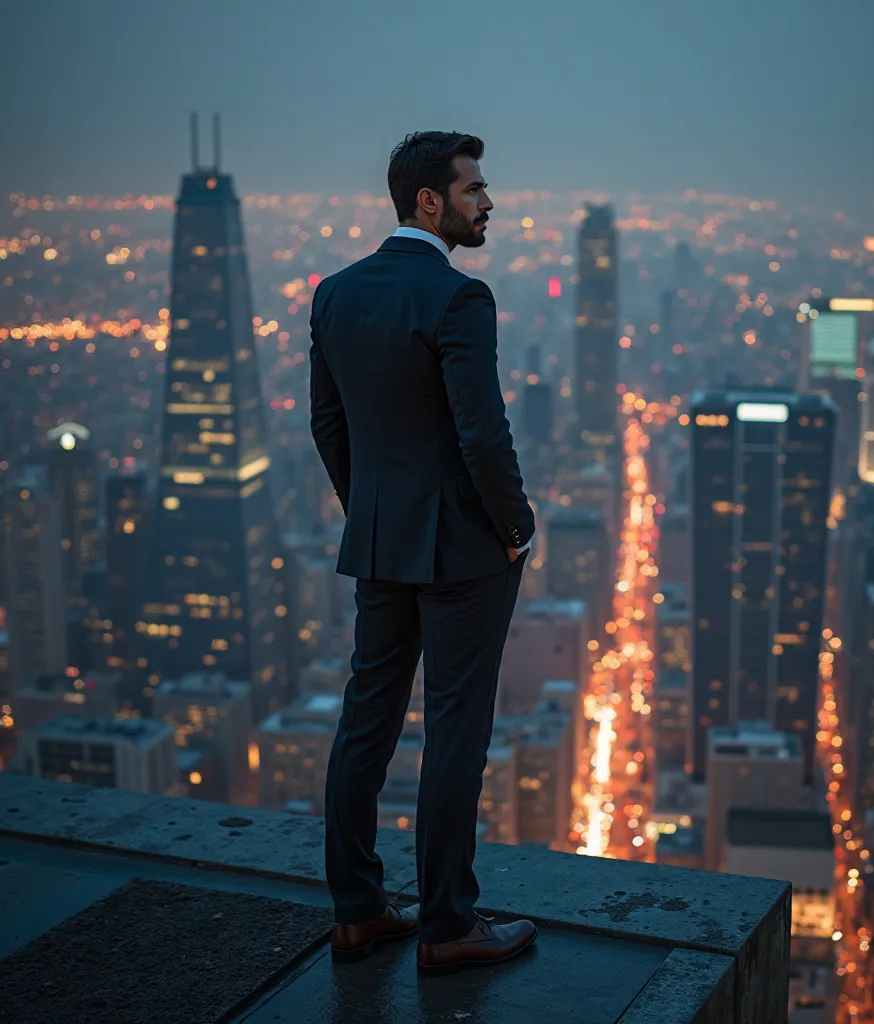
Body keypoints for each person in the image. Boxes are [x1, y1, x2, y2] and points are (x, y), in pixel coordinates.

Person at [310, 131, 538, 974]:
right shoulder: (456, 299)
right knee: (454, 732)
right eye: (475, 189)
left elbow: (327, 425)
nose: (489, 202)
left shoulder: (333, 294)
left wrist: (369, 510)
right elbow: (483, 434)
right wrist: (516, 527)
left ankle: (358, 911)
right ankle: (448, 924)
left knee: (366, 720)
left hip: (380, 540)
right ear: (429, 202)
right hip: (465, 553)